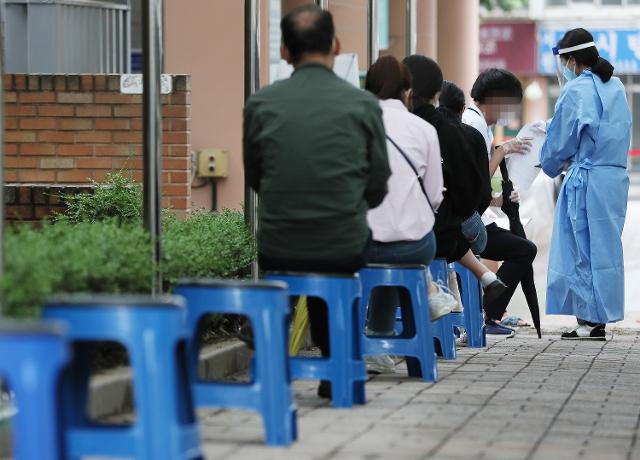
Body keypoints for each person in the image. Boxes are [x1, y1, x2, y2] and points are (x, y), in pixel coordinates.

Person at [243, 5, 391, 396]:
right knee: (335, 269)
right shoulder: (362, 104)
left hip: (278, 243)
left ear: (284, 52)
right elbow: (378, 186)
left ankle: (273, 366)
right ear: (336, 46)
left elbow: (256, 179)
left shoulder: (261, 104)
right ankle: (336, 371)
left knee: (297, 265)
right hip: (343, 243)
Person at [402, 55, 507, 325]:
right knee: (443, 228)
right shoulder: (455, 132)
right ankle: (456, 289)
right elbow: (473, 194)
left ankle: (397, 319)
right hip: (447, 233)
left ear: (407, 92)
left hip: (389, 237)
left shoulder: (396, 127)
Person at [541, 28, 630, 340]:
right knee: (607, 248)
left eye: (565, 61)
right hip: (614, 180)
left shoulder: (576, 90)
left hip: (587, 179)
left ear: (573, 60)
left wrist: (549, 163)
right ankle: (600, 317)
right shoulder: (617, 87)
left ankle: (588, 320)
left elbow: (560, 140)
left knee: (581, 248)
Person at [363, 55, 445, 373]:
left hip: (361, 244)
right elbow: (435, 197)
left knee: (381, 248)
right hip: (415, 246)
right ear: (408, 93)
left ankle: (374, 339)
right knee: (402, 252)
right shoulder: (423, 129)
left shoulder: (353, 123)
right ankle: (426, 294)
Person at [462, 68, 538, 337]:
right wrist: (502, 151)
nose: (506, 112)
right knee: (524, 250)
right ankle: (489, 314)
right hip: (467, 224)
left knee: (523, 248)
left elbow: (476, 188)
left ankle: (489, 313)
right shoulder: (474, 126)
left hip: (472, 216)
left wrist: (497, 200)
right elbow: (478, 179)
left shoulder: (480, 124)